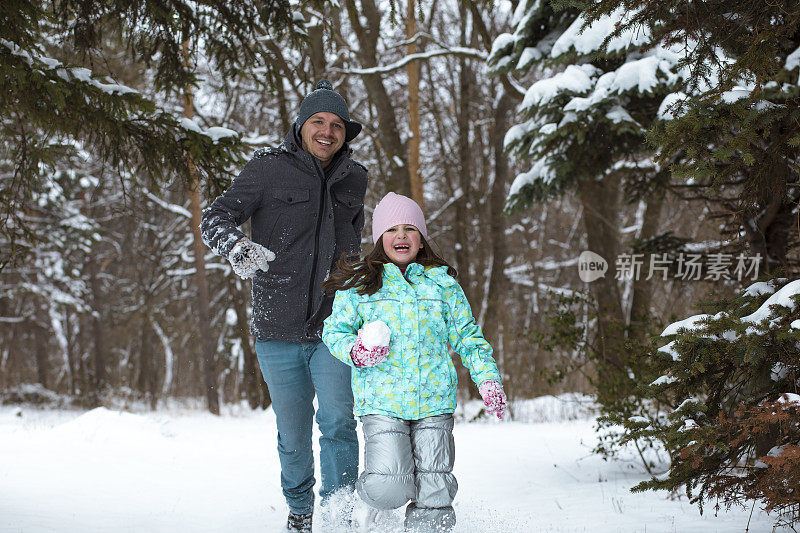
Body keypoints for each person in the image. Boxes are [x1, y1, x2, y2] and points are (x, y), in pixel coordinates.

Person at [200, 80, 367, 533]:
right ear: (301, 125)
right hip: (277, 327)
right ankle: (300, 511)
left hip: (335, 325)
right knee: (293, 435)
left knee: (338, 423)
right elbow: (213, 217)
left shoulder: (356, 177)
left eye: (337, 125)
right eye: (319, 122)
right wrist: (237, 248)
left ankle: (339, 514)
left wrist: (366, 298)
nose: (328, 132)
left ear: (345, 133)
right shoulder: (267, 170)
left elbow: (353, 245)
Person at [321, 192, 507, 532]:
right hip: (382, 401)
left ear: (421, 239)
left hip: (434, 400)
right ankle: (365, 503)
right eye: (392, 229)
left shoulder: (443, 285)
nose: (402, 236)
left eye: (410, 228)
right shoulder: (361, 284)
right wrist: (355, 351)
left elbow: (467, 336)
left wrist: (487, 378)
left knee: (435, 490)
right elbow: (334, 331)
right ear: (380, 239)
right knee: (390, 482)